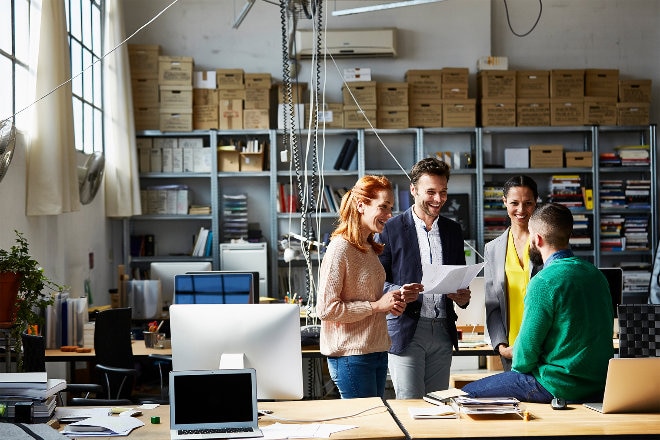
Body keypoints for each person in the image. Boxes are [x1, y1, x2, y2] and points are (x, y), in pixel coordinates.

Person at [462, 203, 614, 403]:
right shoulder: (596, 275)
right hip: (600, 385)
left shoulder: (543, 282)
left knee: (465, 393)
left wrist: (517, 370)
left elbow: (524, 357)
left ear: (537, 239)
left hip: (557, 385)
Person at [377, 157, 471, 399]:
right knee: (411, 406)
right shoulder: (391, 228)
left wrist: (462, 295)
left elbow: (459, 278)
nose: (438, 199)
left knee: (438, 408)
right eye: (430, 192)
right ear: (413, 190)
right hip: (407, 329)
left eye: (443, 192)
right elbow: (376, 281)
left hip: (442, 330)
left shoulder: (452, 230)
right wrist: (398, 290)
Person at [315, 175, 407, 399]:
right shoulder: (340, 247)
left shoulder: (368, 248)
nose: (389, 215)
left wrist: (390, 302)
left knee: (376, 427)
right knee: (367, 430)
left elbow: (366, 295)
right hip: (350, 355)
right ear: (361, 206)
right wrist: (376, 306)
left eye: (391, 208)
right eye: (383, 207)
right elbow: (326, 309)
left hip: (374, 350)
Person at [485, 175, 542, 371]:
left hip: (543, 346)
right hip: (510, 348)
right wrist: (500, 345)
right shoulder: (492, 249)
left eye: (528, 203)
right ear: (504, 202)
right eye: (514, 203)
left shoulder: (547, 244)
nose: (521, 210)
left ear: (536, 203)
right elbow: (492, 304)